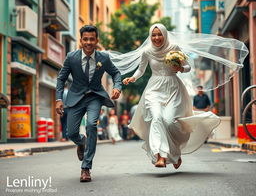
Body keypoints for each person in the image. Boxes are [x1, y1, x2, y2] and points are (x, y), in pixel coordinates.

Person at [123, 24, 221, 169]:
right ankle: (160, 155)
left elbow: (188, 66)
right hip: (154, 89)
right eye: (154, 35)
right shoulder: (147, 51)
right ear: (150, 36)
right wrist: (133, 78)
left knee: (169, 122)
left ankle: (175, 153)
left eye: (159, 34)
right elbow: (141, 69)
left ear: (165, 34)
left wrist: (180, 68)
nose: (157, 38)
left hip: (173, 88)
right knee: (156, 117)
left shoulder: (174, 47)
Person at [55, 25, 121, 182]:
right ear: (81, 41)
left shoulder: (103, 58)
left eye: (92, 39)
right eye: (85, 39)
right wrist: (59, 99)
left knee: (91, 125)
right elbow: (61, 78)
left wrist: (117, 86)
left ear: (97, 40)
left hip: (94, 97)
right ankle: (81, 141)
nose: (89, 42)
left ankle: (86, 168)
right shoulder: (71, 57)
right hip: (76, 97)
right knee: (70, 132)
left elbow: (116, 73)